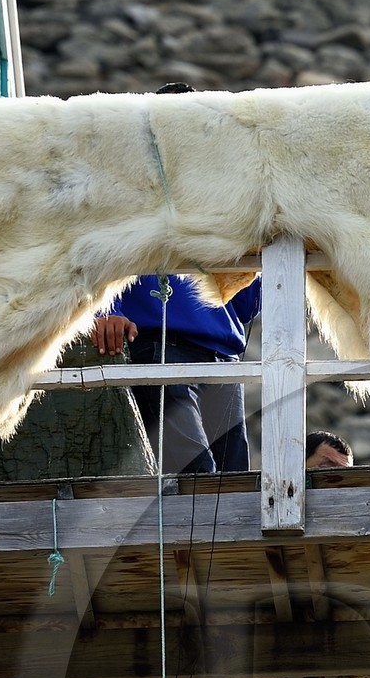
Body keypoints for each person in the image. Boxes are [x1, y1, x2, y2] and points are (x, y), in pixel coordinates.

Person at [91, 82, 258, 473]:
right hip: (156, 346)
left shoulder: (229, 200)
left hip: (223, 358)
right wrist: (95, 319)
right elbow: (84, 266)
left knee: (233, 484)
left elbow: (248, 299)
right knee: (197, 477)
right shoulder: (119, 194)